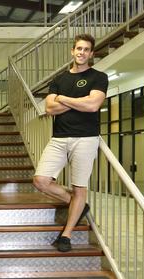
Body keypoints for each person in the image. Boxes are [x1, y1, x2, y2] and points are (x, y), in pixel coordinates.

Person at [32, 34, 108, 252]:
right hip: (59, 138)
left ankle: (66, 235)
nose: (81, 52)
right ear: (72, 51)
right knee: (41, 180)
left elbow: (93, 105)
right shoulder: (58, 80)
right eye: (78, 48)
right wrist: (80, 102)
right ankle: (77, 204)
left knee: (79, 186)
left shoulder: (99, 77)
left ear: (91, 54)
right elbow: (49, 109)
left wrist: (63, 99)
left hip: (85, 138)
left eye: (86, 49)